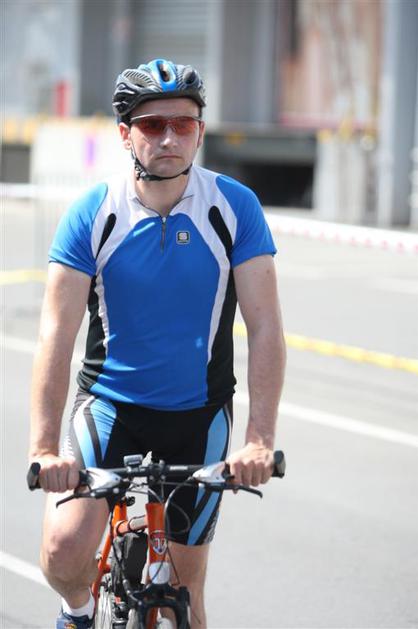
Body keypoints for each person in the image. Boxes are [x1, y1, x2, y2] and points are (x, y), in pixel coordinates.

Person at [28, 58, 286, 629]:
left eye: (183, 124)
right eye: (152, 125)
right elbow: (55, 334)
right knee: (64, 552)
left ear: (200, 130)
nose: (169, 138)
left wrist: (259, 440)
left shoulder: (234, 208)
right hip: (110, 409)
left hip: (199, 416)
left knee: (185, 598)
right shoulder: (94, 213)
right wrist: (45, 449)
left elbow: (266, 325)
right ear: (126, 134)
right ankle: (78, 610)